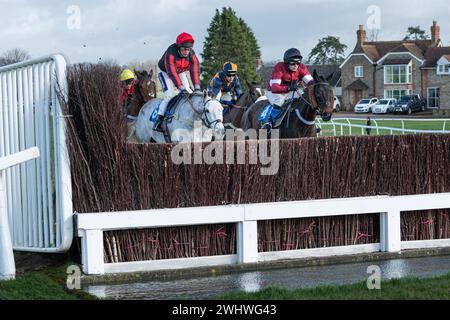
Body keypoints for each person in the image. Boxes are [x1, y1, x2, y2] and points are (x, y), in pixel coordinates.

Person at [153, 32, 202, 132]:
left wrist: (197, 87)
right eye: (184, 49)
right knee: (169, 95)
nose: (186, 52)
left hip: (180, 71)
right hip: (165, 71)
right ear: (178, 47)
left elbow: (195, 70)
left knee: (189, 92)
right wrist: (180, 87)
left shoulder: (192, 54)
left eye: (188, 49)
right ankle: (159, 120)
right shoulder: (171, 52)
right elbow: (171, 73)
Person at [261, 48, 314, 129]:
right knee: (280, 101)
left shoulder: (302, 67)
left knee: (306, 98)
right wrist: (289, 88)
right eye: (293, 63)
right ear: (286, 62)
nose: (296, 66)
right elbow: (275, 88)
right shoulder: (279, 67)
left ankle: (309, 124)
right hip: (274, 92)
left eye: (297, 63)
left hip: (290, 91)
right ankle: (269, 122)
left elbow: (311, 82)